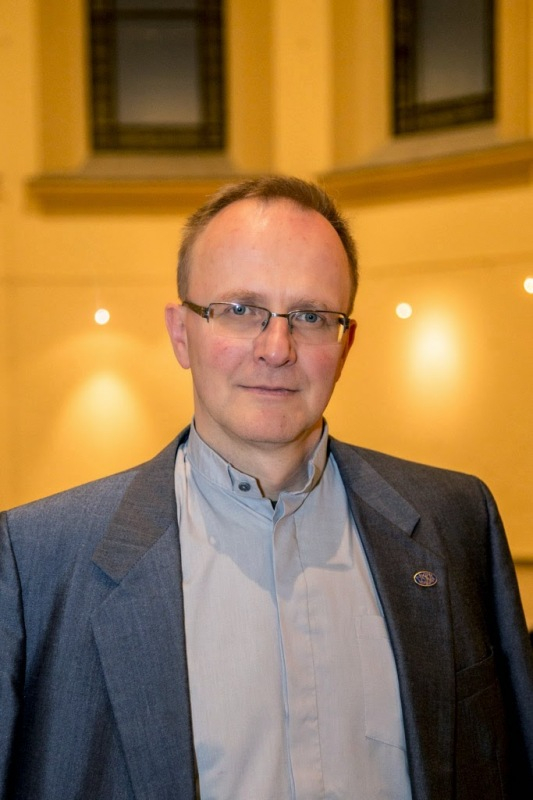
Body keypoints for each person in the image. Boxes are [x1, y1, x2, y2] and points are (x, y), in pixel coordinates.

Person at [1, 176, 532, 800]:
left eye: (311, 316)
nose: (277, 349)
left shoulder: (456, 522)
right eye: (240, 310)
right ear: (181, 333)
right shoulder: (35, 559)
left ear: (345, 344)